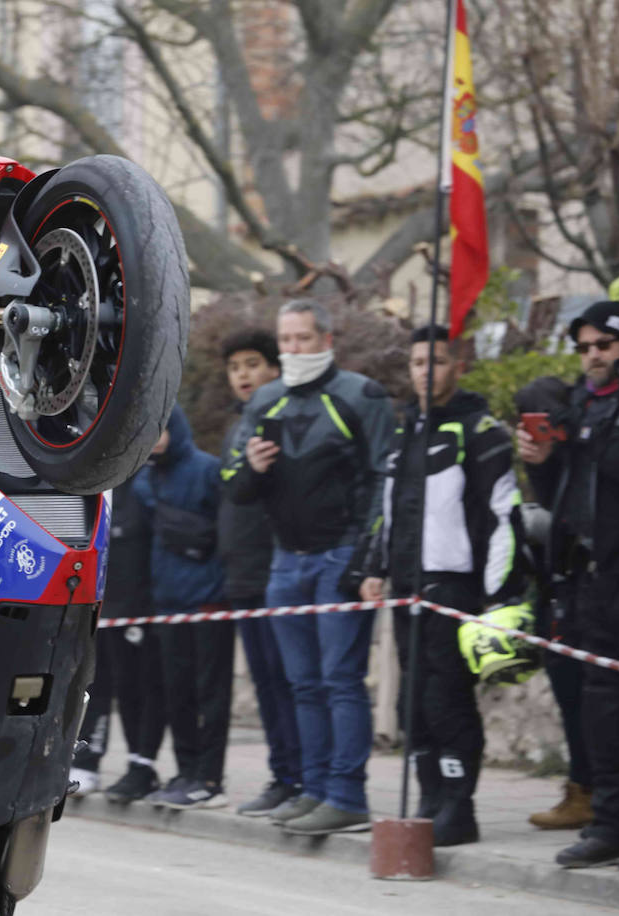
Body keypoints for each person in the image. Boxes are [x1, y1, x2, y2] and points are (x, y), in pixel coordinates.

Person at [223, 299, 393, 836]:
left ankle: (346, 795)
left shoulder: (361, 395)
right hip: (285, 559)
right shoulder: (267, 400)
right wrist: (249, 468)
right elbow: (233, 487)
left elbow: (382, 482)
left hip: (339, 554)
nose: (293, 350)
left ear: (327, 340)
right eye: (286, 340)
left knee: (339, 679)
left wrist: (369, 559)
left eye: (302, 339)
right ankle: (312, 788)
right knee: (302, 683)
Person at [359, 325, 522, 847]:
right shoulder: (406, 430)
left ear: (459, 367)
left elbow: (504, 515)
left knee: (446, 698)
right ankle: (429, 798)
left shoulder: (481, 429)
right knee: (412, 701)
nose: (426, 371)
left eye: (438, 361)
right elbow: (387, 511)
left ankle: (459, 805)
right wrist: (374, 568)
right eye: (418, 363)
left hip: (454, 590)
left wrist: (499, 597)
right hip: (405, 588)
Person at [518, 300, 619, 868]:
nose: (593, 358)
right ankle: (610, 825)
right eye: (584, 348)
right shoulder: (579, 404)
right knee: (601, 709)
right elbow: (561, 490)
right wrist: (541, 458)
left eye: (604, 346)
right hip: (587, 577)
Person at [218, 329, 302, 817]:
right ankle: (282, 775)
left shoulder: (284, 420)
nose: (243, 375)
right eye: (234, 367)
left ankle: (303, 779)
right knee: (269, 683)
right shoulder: (238, 426)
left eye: (253, 364)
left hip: (278, 572)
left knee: (293, 682)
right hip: (243, 576)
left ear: (275, 369)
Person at [136, 406, 232, 810]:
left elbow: (227, 533)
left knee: (211, 692)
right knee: (178, 692)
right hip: (168, 602)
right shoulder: (144, 480)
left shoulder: (209, 470)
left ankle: (209, 777)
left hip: (209, 601)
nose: (156, 438)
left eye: (162, 429)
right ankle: (186, 769)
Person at [73, 473, 165, 803]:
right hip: (97, 604)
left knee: (135, 687)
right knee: (93, 684)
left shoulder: (142, 484)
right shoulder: (96, 482)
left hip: (137, 607)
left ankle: (141, 765)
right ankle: (86, 762)